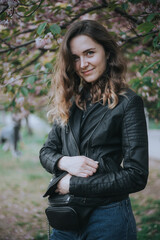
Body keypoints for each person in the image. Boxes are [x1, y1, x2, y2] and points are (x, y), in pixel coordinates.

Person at [39, 20, 148, 240]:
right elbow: (46, 152)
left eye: (90, 53)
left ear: (107, 53)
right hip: (66, 217)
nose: (83, 64)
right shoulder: (69, 101)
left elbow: (136, 176)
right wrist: (64, 162)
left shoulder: (128, 102)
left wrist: (73, 184)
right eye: (75, 58)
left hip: (108, 218)